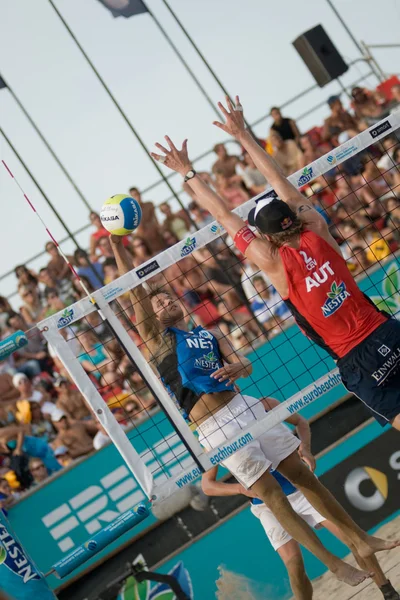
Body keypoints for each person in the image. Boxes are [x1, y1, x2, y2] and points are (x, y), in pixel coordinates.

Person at [111, 233, 398, 587]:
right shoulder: (157, 343)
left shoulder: (210, 333)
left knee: (303, 477)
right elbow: (133, 293)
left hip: (244, 405)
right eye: (158, 305)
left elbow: (245, 365)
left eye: (168, 297)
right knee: (272, 496)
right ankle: (333, 562)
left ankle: (359, 538)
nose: (165, 303)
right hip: (215, 426)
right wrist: (118, 245)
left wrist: (237, 368)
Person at [151, 95, 400, 433]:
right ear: (291, 216)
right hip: (387, 330)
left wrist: (187, 172)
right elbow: (282, 182)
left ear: (266, 237)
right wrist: (243, 135)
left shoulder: (273, 262)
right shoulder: (316, 227)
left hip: (357, 358)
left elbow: (223, 214)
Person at [202, 396, 400, 600]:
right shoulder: (215, 438)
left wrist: (305, 447)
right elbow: (207, 486)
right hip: (267, 505)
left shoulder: (264, 403)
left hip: (300, 490)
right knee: (294, 565)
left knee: (352, 540)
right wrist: (240, 490)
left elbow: (301, 422)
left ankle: (387, 590)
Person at [129, 187, 166, 254]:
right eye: (134, 195)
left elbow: (155, 221)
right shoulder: (132, 212)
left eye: (138, 194)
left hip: (156, 234)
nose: (137, 196)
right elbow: (140, 228)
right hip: (146, 239)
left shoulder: (149, 204)